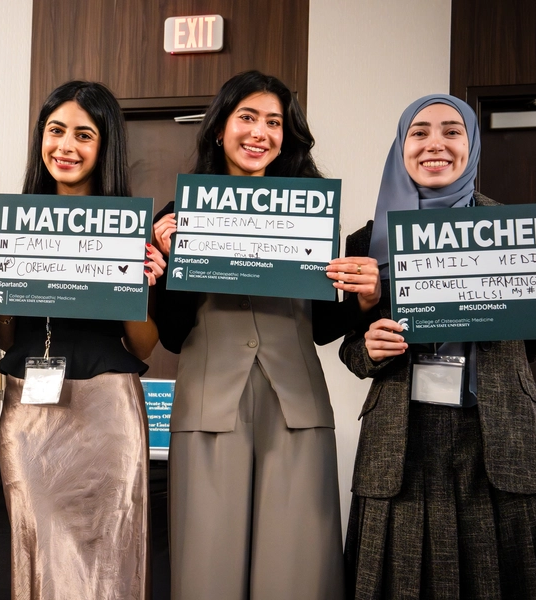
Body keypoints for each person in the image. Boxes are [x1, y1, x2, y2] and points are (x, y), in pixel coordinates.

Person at [341, 93, 536, 599]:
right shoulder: (366, 242)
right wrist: (370, 342)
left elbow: (529, 345)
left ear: (471, 145)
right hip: (402, 444)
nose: (436, 144)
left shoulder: (519, 233)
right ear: (401, 146)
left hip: (500, 437)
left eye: (452, 131)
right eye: (420, 132)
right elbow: (351, 350)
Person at [149, 71, 380, 600]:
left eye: (274, 122)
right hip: (209, 408)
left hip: (296, 406)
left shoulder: (311, 212)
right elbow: (173, 335)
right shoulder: (176, 217)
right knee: (206, 570)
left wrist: (361, 300)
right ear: (218, 129)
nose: (260, 133)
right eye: (247, 118)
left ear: (287, 134)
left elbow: (323, 328)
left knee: (297, 572)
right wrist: (174, 258)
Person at [0, 80, 164, 600]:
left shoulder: (131, 229)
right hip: (30, 416)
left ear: (104, 146)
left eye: (83, 134)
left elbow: (143, 347)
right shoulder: (9, 225)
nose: (66, 146)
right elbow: (3, 337)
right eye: (55, 131)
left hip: (108, 412)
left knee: (110, 560)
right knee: (40, 554)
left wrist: (142, 287)